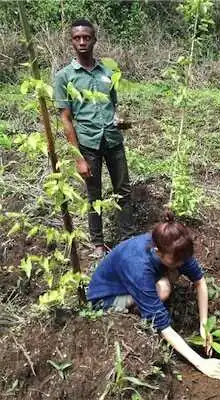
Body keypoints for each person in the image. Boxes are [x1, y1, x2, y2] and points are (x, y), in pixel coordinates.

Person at [87, 212, 220, 380]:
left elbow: (199, 281)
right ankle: (138, 313)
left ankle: (145, 302)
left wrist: (204, 325)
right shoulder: (138, 266)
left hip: (134, 280)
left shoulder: (175, 247)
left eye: (183, 260)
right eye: (176, 262)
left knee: (167, 281)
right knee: (163, 289)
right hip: (106, 298)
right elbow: (162, 325)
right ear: (157, 252)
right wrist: (201, 363)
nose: (181, 265)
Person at [54, 19, 134, 258]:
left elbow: (112, 105)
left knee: (123, 190)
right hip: (88, 143)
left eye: (86, 37)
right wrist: (78, 158)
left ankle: (127, 238)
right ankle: (98, 243)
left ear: (94, 40)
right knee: (93, 194)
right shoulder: (64, 77)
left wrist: (119, 120)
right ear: (71, 41)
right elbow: (66, 119)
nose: (82, 42)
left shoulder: (107, 72)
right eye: (77, 38)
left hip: (112, 140)